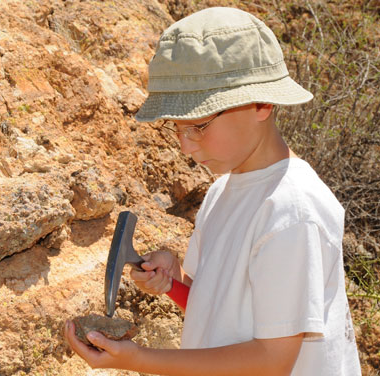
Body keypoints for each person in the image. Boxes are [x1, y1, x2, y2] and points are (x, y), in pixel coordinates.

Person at [65, 7, 361, 375]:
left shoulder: (291, 213)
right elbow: (227, 315)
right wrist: (175, 283)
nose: (185, 146)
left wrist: (139, 359)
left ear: (261, 103)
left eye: (199, 126)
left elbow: (273, 360)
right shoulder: (224, 191)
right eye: (177, 127)